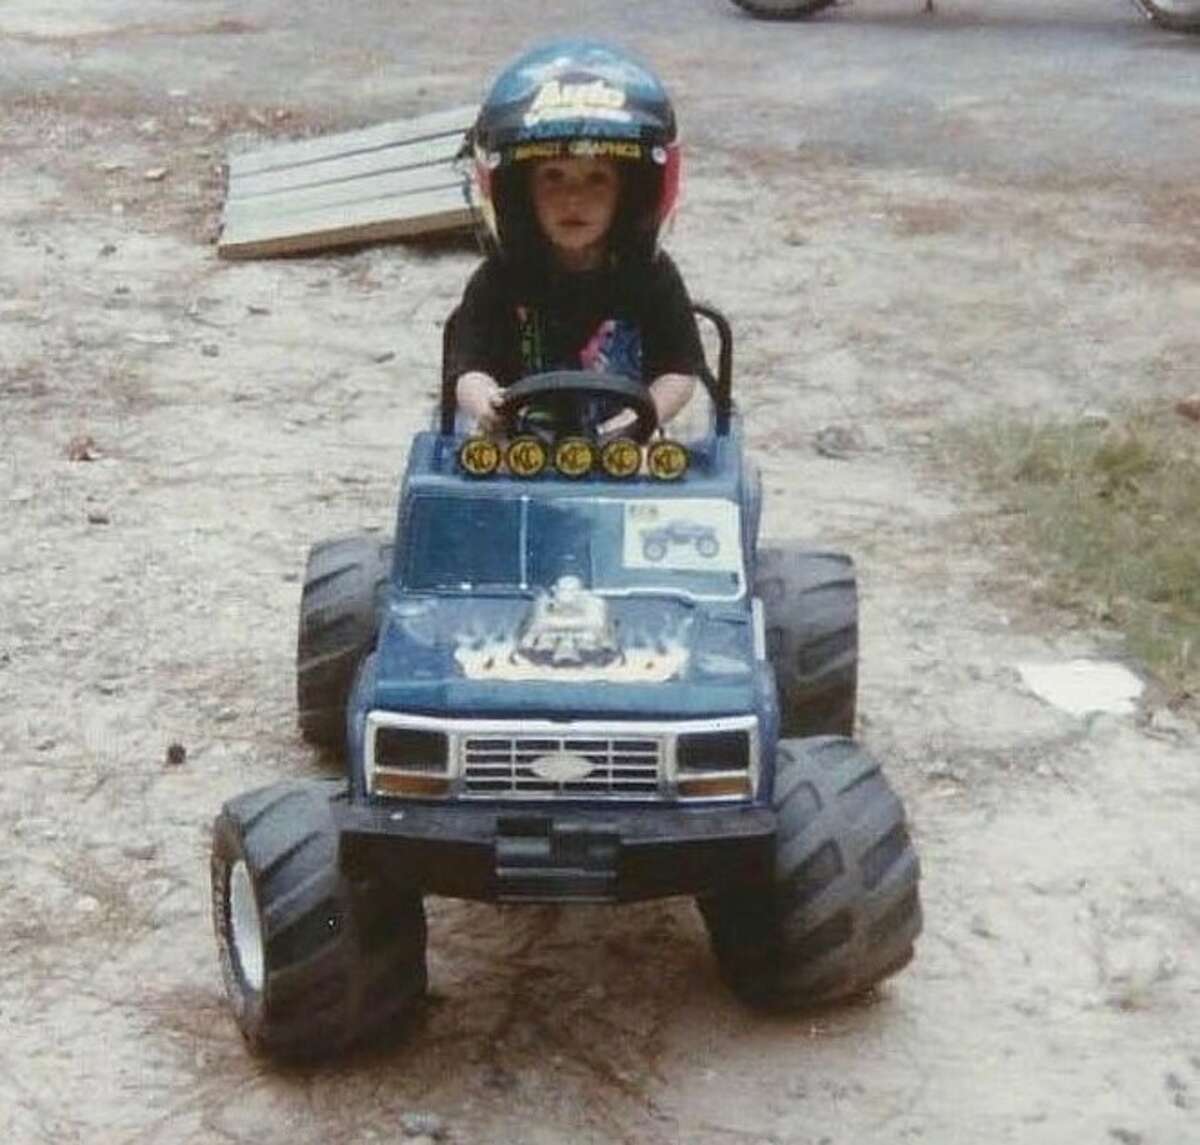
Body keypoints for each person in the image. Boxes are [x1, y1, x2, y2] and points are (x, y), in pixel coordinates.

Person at [449, 40, 705, 436]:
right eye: (553, 177)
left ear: (629, 194)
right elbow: (469, 369)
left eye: (596, 179)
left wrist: (638, 421)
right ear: (520, 193)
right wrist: (487, 404)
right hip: (518, 446)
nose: (574, 199)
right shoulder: (499, 278)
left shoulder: (651, 276)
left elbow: (679, 370)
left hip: (624, 442)